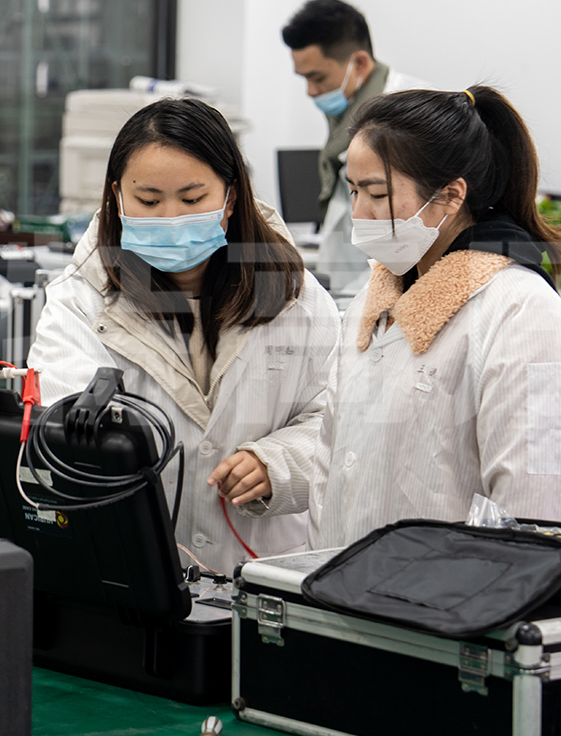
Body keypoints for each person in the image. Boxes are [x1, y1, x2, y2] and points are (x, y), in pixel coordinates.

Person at [230, 86, 561, 547]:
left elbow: (544, 520)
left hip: (455, 592)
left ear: (450, 195)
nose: (359, 213)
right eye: (353, 191)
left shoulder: (528, 322)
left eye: (377, 194)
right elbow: (333, 475)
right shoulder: (372, 306)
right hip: (350, 582)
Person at [25, 98, 341, 574]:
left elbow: (337, 421)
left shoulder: (296, 296)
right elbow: (65, 431)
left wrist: (278, 464)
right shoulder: (82, 299)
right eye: (149, 201)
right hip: (132, 570)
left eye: (192, 200)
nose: (170, 218)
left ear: (231, 198)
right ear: (117, 197)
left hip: (262, 574)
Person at [281, 0, 421, 291]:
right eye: (304, 79)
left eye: (317, 77)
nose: (310, 91)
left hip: (391, 283)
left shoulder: (410, 116)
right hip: (353, 283)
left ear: (359, 63)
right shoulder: (348, 112)